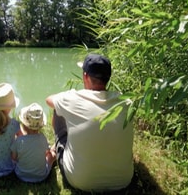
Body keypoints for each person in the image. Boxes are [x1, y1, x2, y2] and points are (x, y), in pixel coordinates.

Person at [45, 53, 134, 192]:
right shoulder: (126, 102)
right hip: (123, 180)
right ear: (108, 78)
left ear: (85, 76)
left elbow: (49, 100)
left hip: (80, 181)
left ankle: (60, 147)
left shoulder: (73, 98)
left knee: (57, 109)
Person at [11, 103, 56, 183]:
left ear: (24, 125)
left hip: (21, 175)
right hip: (42, 176)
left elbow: (14, 158)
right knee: (51, 155)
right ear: (41, 126)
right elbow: (46, 153)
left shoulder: (19, 140)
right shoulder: (42, 138)